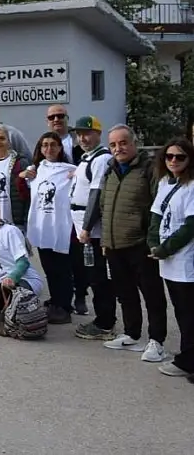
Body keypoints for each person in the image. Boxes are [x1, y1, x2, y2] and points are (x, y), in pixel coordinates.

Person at [98, 124, 169, 363]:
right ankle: (131, 333)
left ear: (133, 143)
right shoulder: (110, 170)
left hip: (140, 244)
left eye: (123, 142)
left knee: (152, 294)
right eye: (114, 145)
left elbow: (159, 206)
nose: (119, 148)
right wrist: (106, 239)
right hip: (114, 244)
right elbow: (104, 205)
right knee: (125, 293)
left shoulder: (149, 169)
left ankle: (156, 341)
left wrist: (151, 239)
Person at [148, 137, 194, 379]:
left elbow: (190, 226)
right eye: (169, 156)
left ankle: (188, 361)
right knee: (181, 310)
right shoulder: (166, 182)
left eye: (180, 157)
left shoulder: (192, 186)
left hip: (185, 260)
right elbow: (156, 215)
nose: (174, 161)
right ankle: (188, 356)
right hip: (167, 261)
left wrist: (165, 248)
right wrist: (153, 243)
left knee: (188, 313)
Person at [23, 132, 77, 324]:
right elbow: (22, 187)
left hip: (60, 227)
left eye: (53, 144)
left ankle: (64, 306)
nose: (49, 149)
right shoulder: (35, 170)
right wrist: (23, 175)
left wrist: (77, 174)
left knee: (62, 269)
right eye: (44, 145)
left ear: (60, 148)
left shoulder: (70, 170)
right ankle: (55, 301)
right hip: (42, 226)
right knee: (49, 268)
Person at [71, 116, 116, 338]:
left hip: (92, 233)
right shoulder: (87, 158)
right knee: (92, 275)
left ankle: (105, 323)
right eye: (79, 134)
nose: (82, 138)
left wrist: (87, 229)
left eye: (87, 133)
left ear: (98, 133)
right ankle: (103, 319)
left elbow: (96, 195)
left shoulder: (100, 159)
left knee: (99, 278)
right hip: (83, 229)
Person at [0, 199, 44, 318]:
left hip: (24, 280)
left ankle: (27, 308)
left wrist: (12, 277)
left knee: (13, 296)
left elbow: (23, 262)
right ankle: (11, 311)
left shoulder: (9, 231)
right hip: (1, 285)